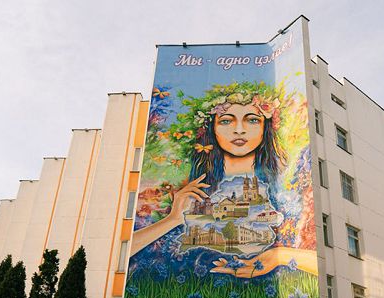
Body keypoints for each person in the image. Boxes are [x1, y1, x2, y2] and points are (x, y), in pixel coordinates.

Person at [130, 84, 318, 278]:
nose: (239, 130)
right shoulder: (186, 194)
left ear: (266, 127)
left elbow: (326, 262)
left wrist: (280, 256)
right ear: (211, 128)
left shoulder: (288, 195)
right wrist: (172, 220)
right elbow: (120, 256)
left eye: (252, 120)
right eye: (226, 120)